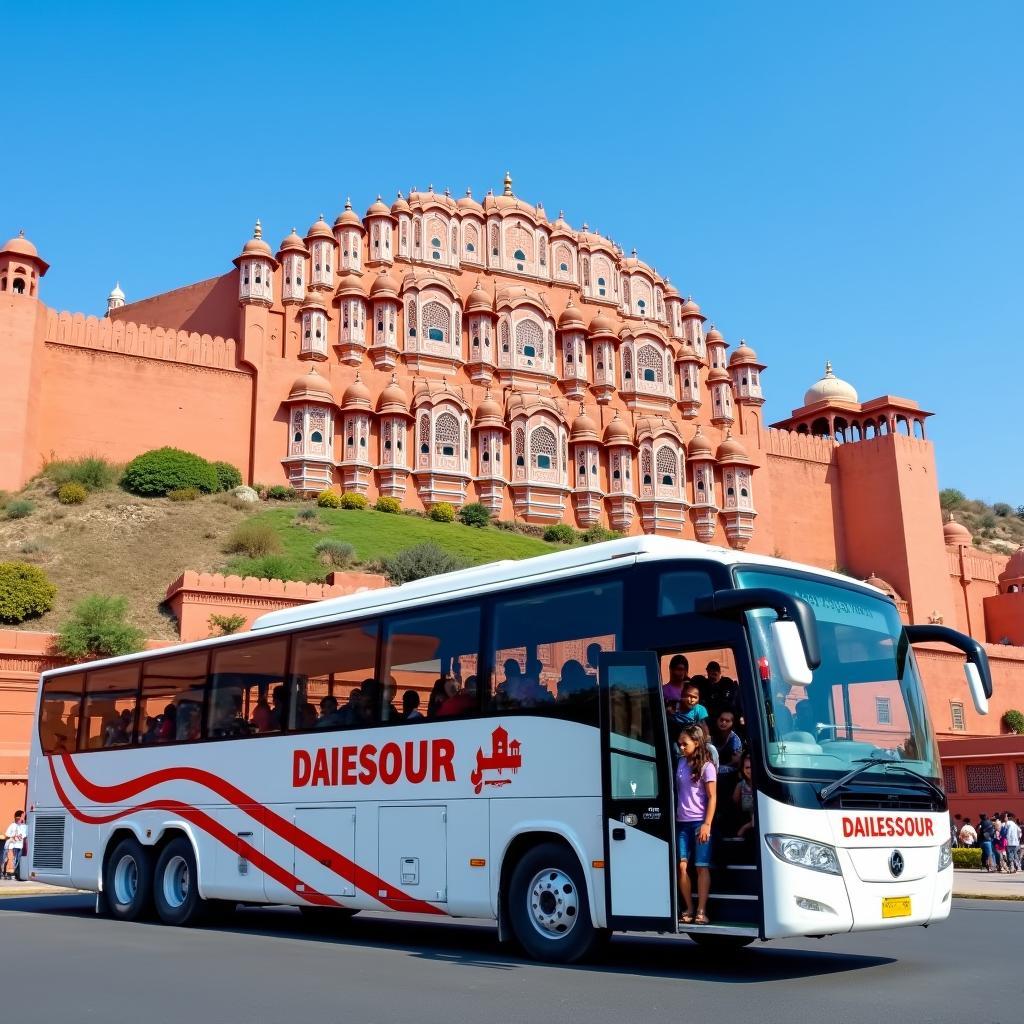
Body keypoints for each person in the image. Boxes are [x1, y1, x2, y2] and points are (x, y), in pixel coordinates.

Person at [675, 723, 716, 926]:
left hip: (700, 822)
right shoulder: (681, 763)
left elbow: (712, 797)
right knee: (682, 866)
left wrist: (707, 824)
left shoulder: (707, 767)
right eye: (680, 744)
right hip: (681, 823)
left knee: (701, 866)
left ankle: (701, 910)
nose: (681, 747)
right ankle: (688, 908)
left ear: (696, 742)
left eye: (685, 743)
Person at [733, 754, 755, 838]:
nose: (750, 770)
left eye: (752, 767)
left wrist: (744, 828)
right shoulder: (740, 786)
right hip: (746, 820)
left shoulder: (763, 786)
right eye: (747, 767)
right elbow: (735, 805)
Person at [3, 811, 27, 880]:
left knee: (17, 860)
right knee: (10, 859)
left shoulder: (24, 826)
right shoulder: (12, 825)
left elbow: (25, 834)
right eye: (22, 816)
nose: (23, 817)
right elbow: (7, 834)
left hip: (20, 846)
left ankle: (15, 873)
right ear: (18, 817)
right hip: (11, 846)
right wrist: (13, 836)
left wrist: (20, 836)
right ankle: (8, 873)